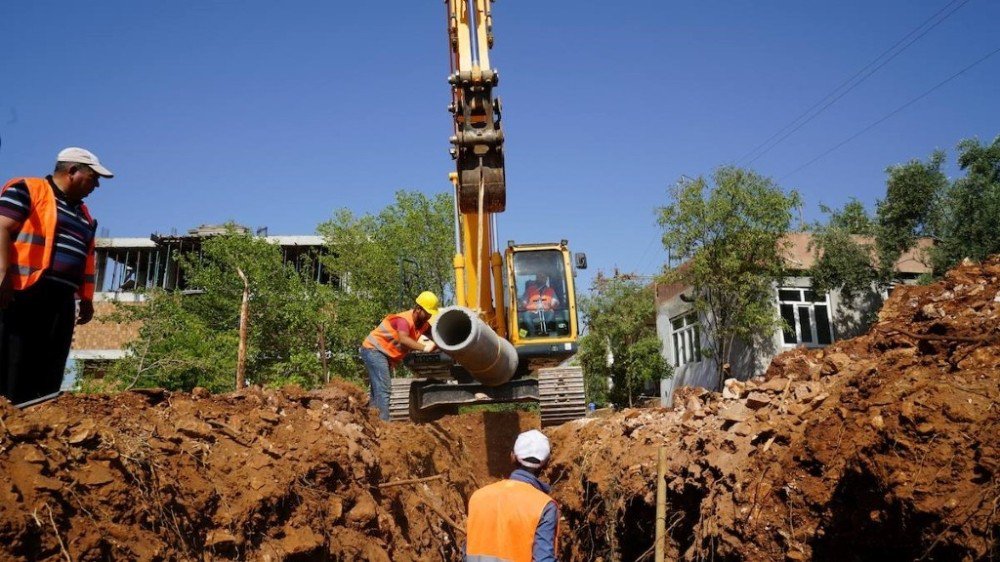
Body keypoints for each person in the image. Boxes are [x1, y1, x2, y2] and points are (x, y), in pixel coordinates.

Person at [0, 147, 112, 405]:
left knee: (49, 365)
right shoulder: (28, 189)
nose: (96, 185)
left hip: (61, 299)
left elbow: (86, 259)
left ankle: (39, 423)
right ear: (72, 171)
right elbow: (2, 227)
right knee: (13, 362)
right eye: (93, 177)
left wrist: (86, 299)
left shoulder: (84, 215)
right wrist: (2, 275)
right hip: (22, 290)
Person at [465, 429, 559, 562]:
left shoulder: (478, 497)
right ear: (547, 463)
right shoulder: (544, 506)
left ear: (512, 457)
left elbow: (467, 551)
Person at [360, 291, 440, 420]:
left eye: (431, 313)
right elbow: (403, 339)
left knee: (377, 391)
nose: (429, 316)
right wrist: (425, 347)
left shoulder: (424, 325)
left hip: (383, 355)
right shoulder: (403, 320)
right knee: (384, 389)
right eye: (427, 312)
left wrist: (446, 345)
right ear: (418, 309)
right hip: (373, 350)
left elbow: (437, 336)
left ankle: (373, 422)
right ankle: (383, 425)